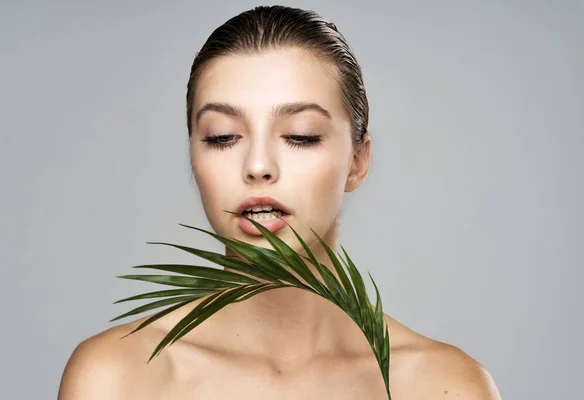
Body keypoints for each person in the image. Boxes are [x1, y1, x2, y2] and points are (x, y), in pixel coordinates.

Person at [58, 5, 501, 399]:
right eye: (222, 137)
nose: (258, 165)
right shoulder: (116, 379)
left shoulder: (443, 386)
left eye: (300, 136)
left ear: (357, 162)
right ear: (193, 155)